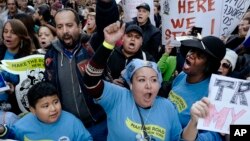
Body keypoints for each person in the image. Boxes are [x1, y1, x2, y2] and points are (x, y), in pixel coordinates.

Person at [83, 20, 182, 141]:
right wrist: (108, 44)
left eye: (154, 80)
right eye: (141, 80)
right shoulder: (118, 98)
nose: (149, 85)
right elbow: (90, 81)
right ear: (131, 84)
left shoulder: (168, 108)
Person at [44, 1, 119, 138]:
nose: (65, 31)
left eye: (69, 25)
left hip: (99, 124)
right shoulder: (51, 55)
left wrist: (105, 4)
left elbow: (107, 25)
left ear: (79, 26)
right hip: (69, 128)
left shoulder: (92, 46)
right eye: (60, 27)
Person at [168, 36, 226, 140]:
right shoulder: (182, 75)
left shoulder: (212, 94)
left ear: (208, 66)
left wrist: (192, 133)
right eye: (192, 50)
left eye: (199, 56)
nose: (190, 55)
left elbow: (214, 136)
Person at [0, 81, 93, 140]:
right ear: (32, 110)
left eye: (56, 102)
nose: (53, 109)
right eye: (45, 106)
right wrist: (3, 130)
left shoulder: (72, 122)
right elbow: (11, 136)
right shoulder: (22, 126)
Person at [0, 19, 33, 114]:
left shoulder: (28, 59)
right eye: (5, 31)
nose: (8, 35)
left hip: (15, 109)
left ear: (21, 37)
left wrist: (14, 89)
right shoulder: (1, 51)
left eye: (13, 33)